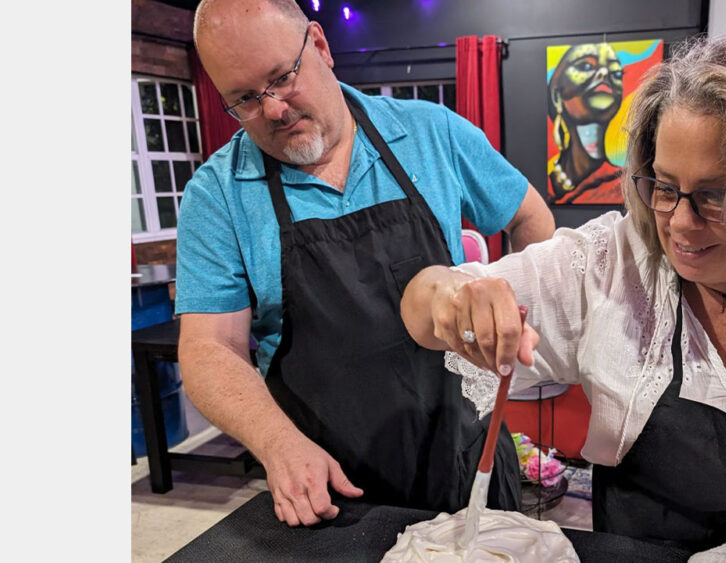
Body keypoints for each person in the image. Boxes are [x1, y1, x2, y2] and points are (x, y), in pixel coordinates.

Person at [401, 34, 726, 561]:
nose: (681, 225)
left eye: (715, 196)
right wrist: (453, 294)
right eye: (665, 187)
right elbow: (421, 305)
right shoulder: (610, 265)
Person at [175, 0, 555, 528]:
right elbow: (208, 347)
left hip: (468, 459)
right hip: (330, 489)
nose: (276, 109)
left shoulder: (431, 133)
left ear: (321, 46)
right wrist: (277, 442)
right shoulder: (216, 196)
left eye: (282, 78)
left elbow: (531, 216)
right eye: (245, 99)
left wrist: (509, 316)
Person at [547, 42, 625, 204]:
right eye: (586, 66)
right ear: (556, 94)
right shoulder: (542, 189)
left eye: (616, 73)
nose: (604, 73)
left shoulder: (623, 184)